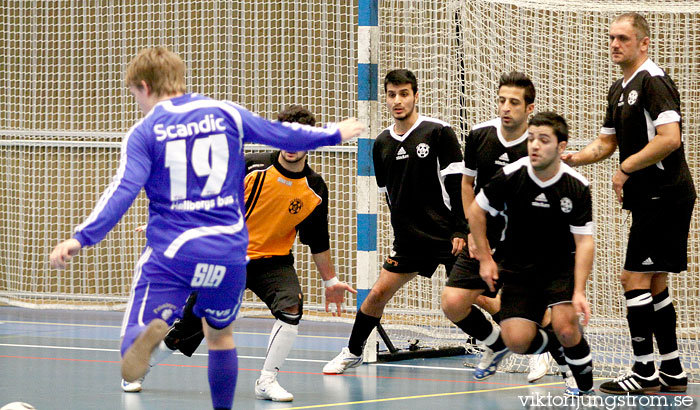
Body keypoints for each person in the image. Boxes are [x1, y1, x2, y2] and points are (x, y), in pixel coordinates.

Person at [48, 47, 365, 410]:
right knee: (220, 336)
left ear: (145, 86)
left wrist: (81, 237)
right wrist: (333, 133)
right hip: (228, 252)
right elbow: (279, 132)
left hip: (173, 250)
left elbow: (122, 190)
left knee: (134, 343)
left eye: (134, 94)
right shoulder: (226, 113)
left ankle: (151, 330)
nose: (137, 102)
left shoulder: (145, 131)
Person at [121, 106, 358, 402]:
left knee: (291, 308)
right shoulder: (250, 167)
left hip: (274, 262)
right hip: (228, 258)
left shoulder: (314, 188)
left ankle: (267, 381)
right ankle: (139, 366)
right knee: (190, 325)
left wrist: (330, 281)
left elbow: (317, 240)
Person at [562, 13, 695, 395]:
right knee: (653, 284)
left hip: (665, 194)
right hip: (651, 199)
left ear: (643, 43)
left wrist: (625, 169)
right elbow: (606, 143)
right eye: (611, 38)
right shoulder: (618, 89)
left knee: (631, 279)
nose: (615, 44)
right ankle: (671, 371)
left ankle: (643, 372)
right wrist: (572, 159)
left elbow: (670, 138)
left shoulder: (653, 82)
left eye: (623, 38)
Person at [323, 69, 468, 374]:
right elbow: (389, 195)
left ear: (416, 95)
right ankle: (353, 351)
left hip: (448, 237)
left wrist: (460, 228)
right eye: (391, 95)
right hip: (409, 241)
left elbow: (459, 187)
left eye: (404, 93)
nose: (398, 100)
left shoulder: (439, 132)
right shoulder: (381, 144)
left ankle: (535, 346)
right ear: (386, 99)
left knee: (480, 299)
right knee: (376, 295)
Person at [468, 112, 596, 396]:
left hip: (560, 267)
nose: (535, 145)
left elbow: (585, 242)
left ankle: (583, 374)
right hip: (518, 268)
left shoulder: (576, 186)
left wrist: (580, 290)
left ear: (561, 147)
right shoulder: (512, 175)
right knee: (515, 341)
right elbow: (476, 211)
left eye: (544, 140)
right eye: (531, 139)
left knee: (565, 327)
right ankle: (559, 349)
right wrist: (487, 259)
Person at [441, 71, 554, 383]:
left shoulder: (538, 143)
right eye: (502, 100)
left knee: (531, 307)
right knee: (453, 302)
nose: (506, 107)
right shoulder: (480, 135)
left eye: (514, 102)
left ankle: (549, 355)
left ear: (529, 108)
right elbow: (467, 185)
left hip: (523, 239)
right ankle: (495, 343)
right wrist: (471, 232)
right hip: (484, 235)